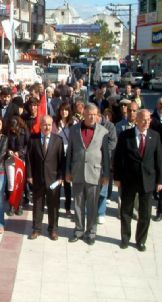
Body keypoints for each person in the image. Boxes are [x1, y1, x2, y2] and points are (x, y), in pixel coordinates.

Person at [114, 109, 162, 252]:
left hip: (148, 180)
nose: (147, 122)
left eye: (149, 119)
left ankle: (140, 240)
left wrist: (160, 180)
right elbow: (119, 158)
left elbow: (159, 160)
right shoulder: (125, 136)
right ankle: (125, 238)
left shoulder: (155, 136)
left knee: (145, 213)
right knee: (126, 211)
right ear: (136, 120)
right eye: (144, 119)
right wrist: (117, 177)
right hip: (129, 180)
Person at [66, 103, 109, 245]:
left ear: (98, 115)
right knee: (78, 203)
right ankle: (78, 230)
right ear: (84, 114)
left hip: (95, 173)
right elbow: (70, 152)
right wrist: (67, 171)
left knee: (92, 205)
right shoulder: (73, 130)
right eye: (89, 114)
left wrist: (106, 174)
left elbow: (106, 155)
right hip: (77, 172)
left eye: (95, 114)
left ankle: (91, 232)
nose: (92, 117)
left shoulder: (103, 131)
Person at [27, 115, 64, 240]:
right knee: (37, 205)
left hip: (53, 180)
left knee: (53, 206)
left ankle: (53, 230)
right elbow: (29, 159)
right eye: (44, 124)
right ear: (40, 125)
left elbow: (61, 162)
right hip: (37, 179)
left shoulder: (58, 140)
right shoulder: (33, 140)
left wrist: (60, 178)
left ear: (52, 125)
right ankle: (36, 229)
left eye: (49, 124)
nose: (47, 127)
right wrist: (29, 175)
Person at [53, 102, 75, 216]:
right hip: (57, 153)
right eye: (62, 110)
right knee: (56, 180)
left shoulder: (73, 123)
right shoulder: (55, 123)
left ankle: (67, 208)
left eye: (66, 110)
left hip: (69, 155)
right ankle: (54, 205)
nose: (64, 112)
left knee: (67, 182)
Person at [5, 116, 29, 216]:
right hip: (10, 160)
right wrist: (8, 151)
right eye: (11, 128)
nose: (13, 130)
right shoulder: (7, 133)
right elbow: (4, 146)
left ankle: (19, 205)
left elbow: (28, 145)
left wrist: (20, 152)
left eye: (15, 128)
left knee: (19, 183)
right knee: (11, 183)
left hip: (20, 160)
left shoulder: (24, 132)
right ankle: (11, 205)